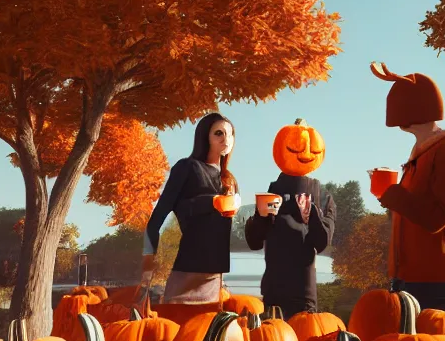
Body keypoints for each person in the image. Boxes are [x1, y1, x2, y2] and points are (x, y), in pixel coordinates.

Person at [369, 61, 445, 319]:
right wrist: (389, 196)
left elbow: (437, 217)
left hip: (435, 286)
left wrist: (394, 194)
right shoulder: (420, 153)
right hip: (404, 283)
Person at [138, 112, 240, 305]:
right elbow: (161, 216)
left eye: (230, 134)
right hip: (187, 272)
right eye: (218, 133)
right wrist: (148, 262)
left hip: (215, 278)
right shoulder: (187, 168)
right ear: (205, 137)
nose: (226, 139)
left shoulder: (229, 181)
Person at [245, 136, 336, 320]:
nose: (303, 154)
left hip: (304, 294)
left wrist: (311, 213)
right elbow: (254, 241)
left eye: (311, 148)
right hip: (273, 292)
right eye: (295, 148)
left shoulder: (322, 197)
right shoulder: (270, 196)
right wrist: (261, 217)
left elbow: (322, 242)